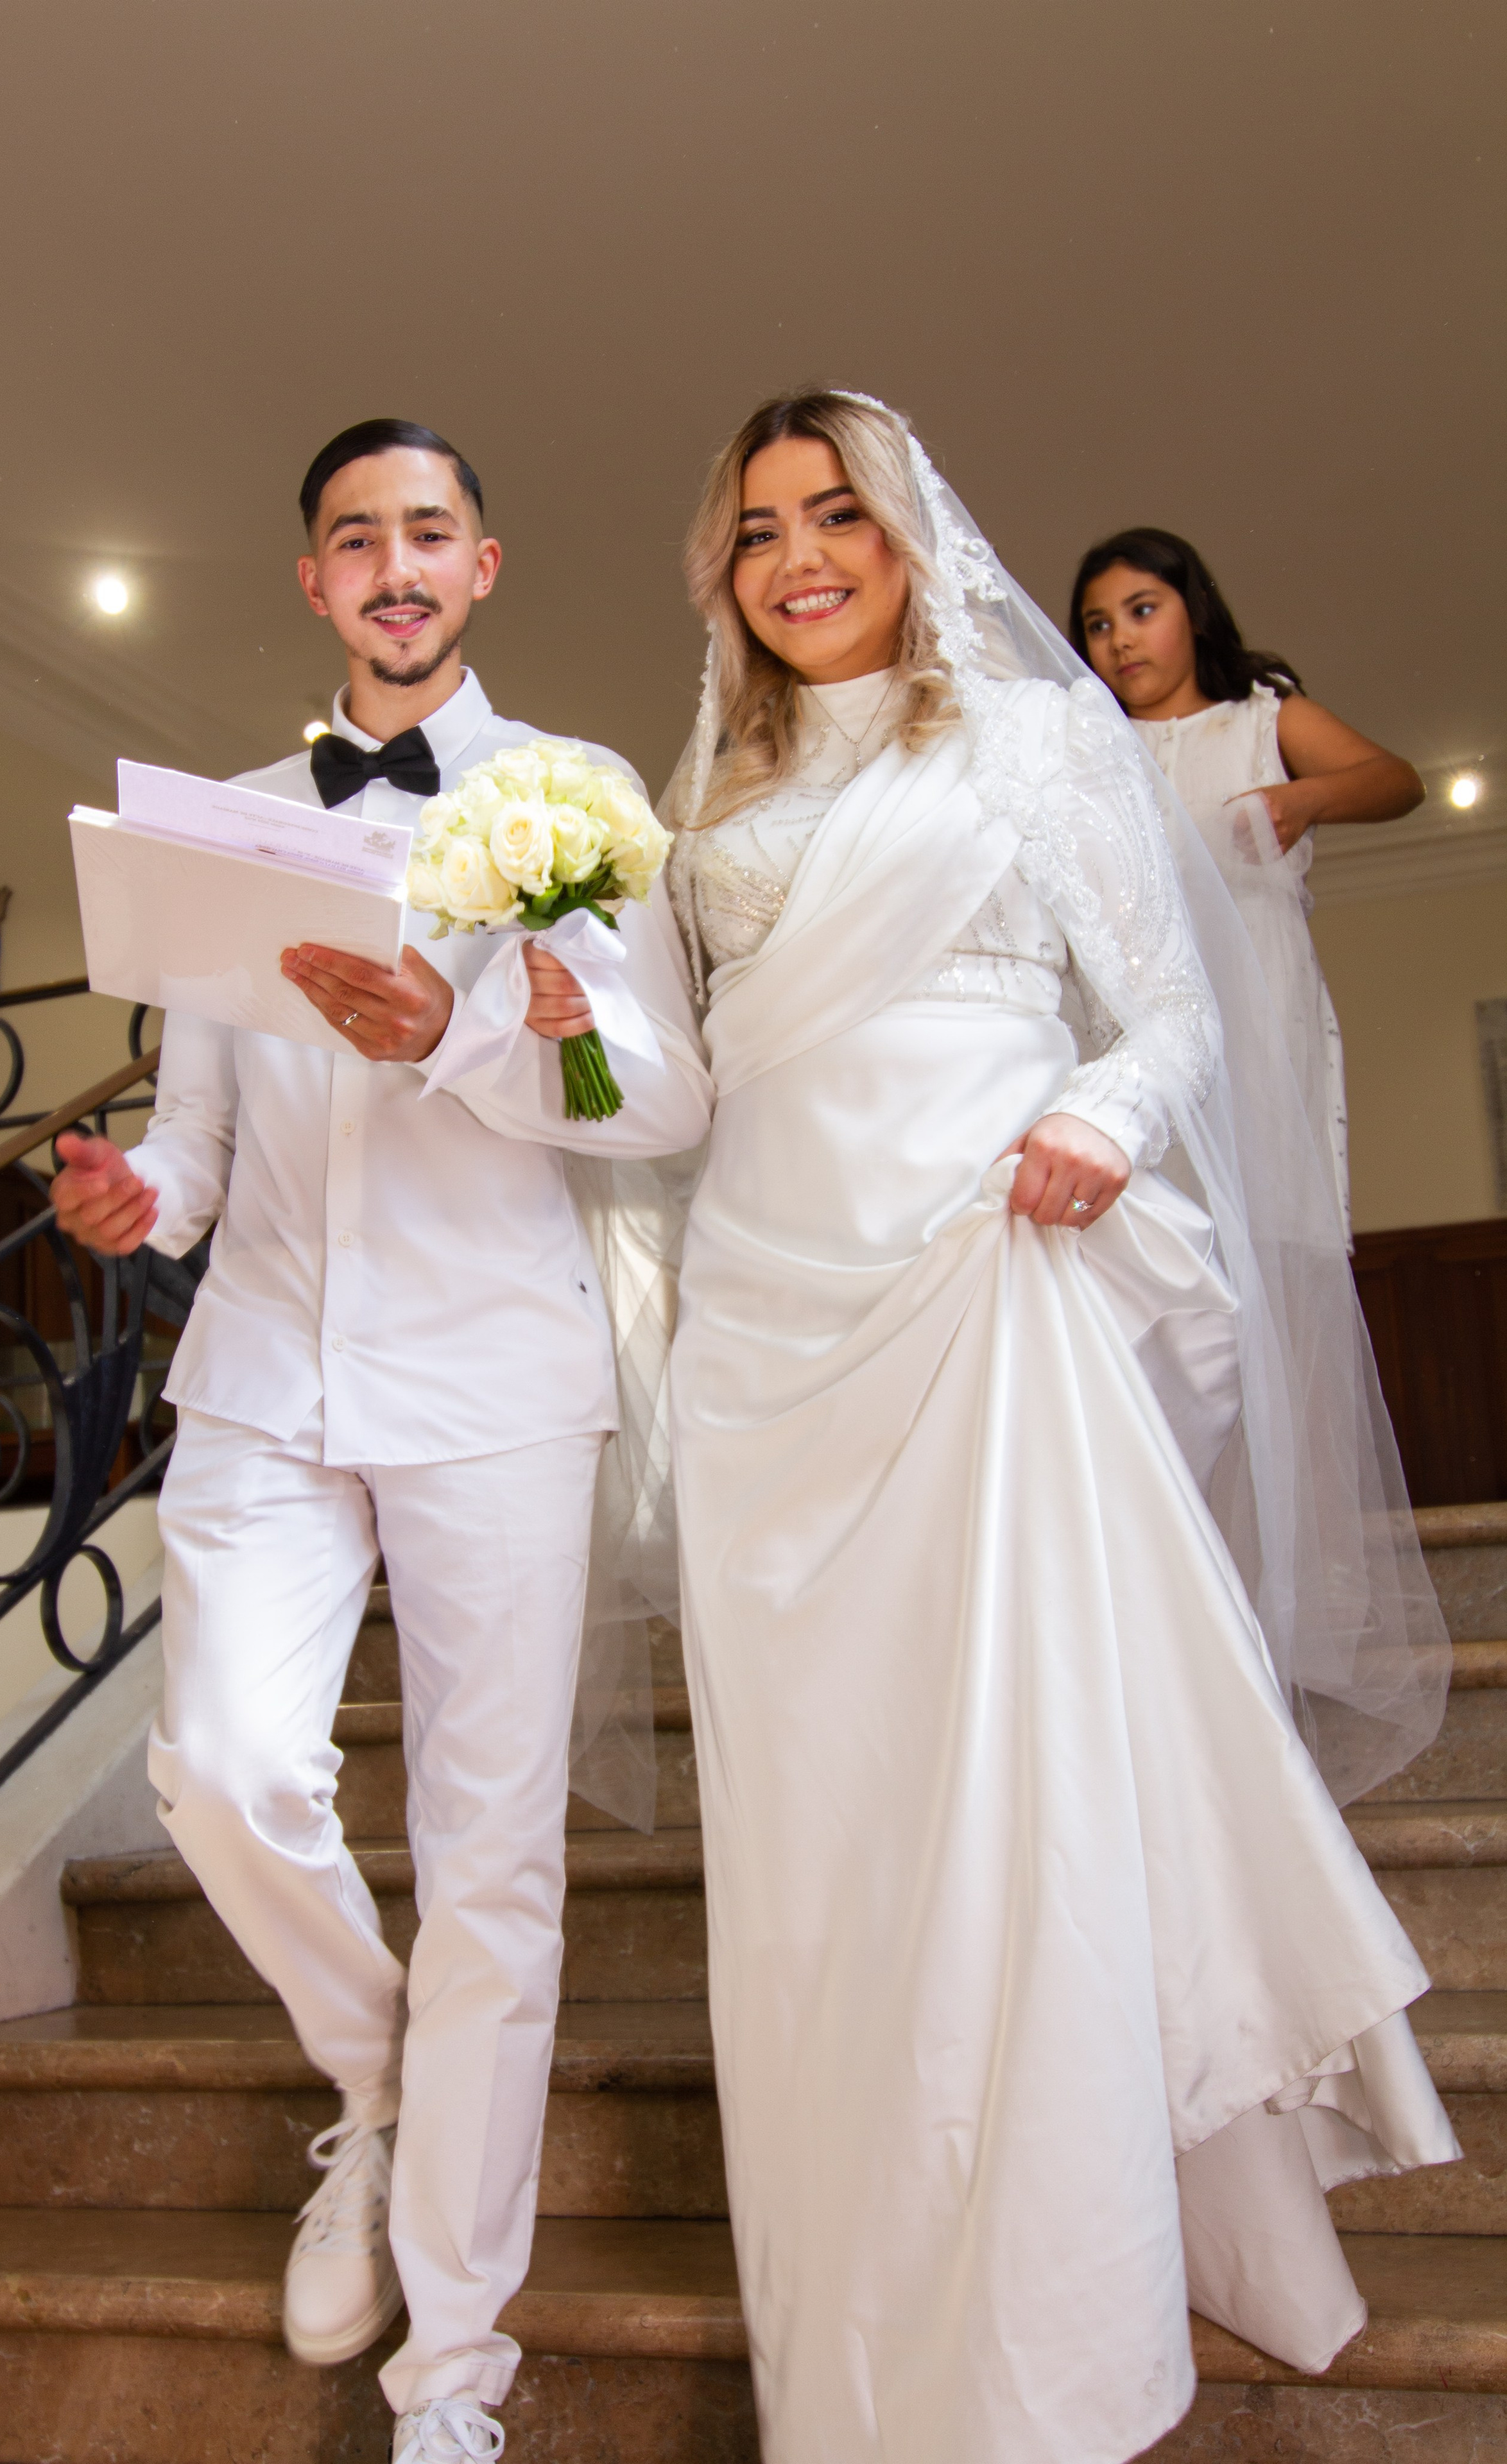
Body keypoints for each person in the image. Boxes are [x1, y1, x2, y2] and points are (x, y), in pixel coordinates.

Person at [660, 392, 1454, 2464]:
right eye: (760, 527)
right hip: (766, 1350)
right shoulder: (715, 794)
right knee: (821, 1872)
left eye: (840, 511)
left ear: (915, 537)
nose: (801, 553)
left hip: (982, 1292)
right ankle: (848, 2357)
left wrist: (1098, 1115)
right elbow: (682, 1095)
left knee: (1005, 1817)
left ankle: (1049, 2343)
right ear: (724, 572)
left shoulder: (1032, 736)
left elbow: (1171, 1003)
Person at [49, 417, 712, 2464]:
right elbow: (197, 1137)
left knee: (493, 1872)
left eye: (429, 532)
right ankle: (378, 2066)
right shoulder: (229, 823)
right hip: (261, 1367)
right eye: (358, 539)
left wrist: (481, 1036)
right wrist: (134, 1201)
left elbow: (662, 1092)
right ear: (315, 583)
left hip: (496, 1380)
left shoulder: (574, 796)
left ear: (483, 567)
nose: (395, 565)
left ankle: (455, 2382)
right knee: (227, 1768)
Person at [1072, 530, 1425, 1243]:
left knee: (1264, 1214)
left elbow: (1398, 782)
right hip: (1129, 1010)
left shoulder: (1264, 721)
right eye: (1098, 625)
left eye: (1142, 611)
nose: (1119, 641)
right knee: (1147, 1222)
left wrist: (1307, 799)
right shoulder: (1087, 749)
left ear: (1195, 613)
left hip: (1256, 1001)